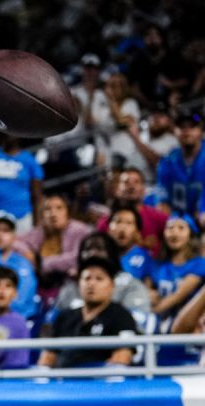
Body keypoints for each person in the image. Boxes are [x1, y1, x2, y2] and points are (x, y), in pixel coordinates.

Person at [39, 258, 140, 369]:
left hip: (100, 383)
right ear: (79, 284)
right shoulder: (64, 316)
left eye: (99, 279)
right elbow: (48, 358)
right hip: (65, 381)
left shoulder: (122, 316)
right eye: (87, 278)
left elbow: (122, 359)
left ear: (112, 285)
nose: (91, 284)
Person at [148, 214, 205, 365]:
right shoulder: (158, 265)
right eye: (170, 228)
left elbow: (179, 295)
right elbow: (149, 293)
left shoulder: (199, 264)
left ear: (191, 234)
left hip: (187, 330)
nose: (174, 232)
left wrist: (151, 311)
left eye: (181, 228)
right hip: (160, 330)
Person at [14, 195, 93, 300]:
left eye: (59, 208)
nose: (53, 213)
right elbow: (14, 242)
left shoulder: (80, 230)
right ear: (42, 215)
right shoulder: (39, 231)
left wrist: (43, 263)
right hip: (40, 285)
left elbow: (78, 257)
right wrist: (28, 253)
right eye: (48, 209)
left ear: (68, 212)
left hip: (69, 285)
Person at [0, 132, 43, 232]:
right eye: (6, 130)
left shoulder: (30, 161)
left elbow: (37, 195)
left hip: (20, 219)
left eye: (12, 131)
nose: (9, 134)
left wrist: (37, 224)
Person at [0, 211, 40, 320]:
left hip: (16, 320)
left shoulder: (23, 264)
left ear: (14, 236)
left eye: (6, 230)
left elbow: (23, 299)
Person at [155, 109, 205, 221]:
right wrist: (162, 204)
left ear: (201, 130)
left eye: (192, 126)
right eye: (182, 127)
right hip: (177, 219)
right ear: (174, 131)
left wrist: (202, 210)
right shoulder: (167, 161)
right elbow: (161, 191)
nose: (187, 130)